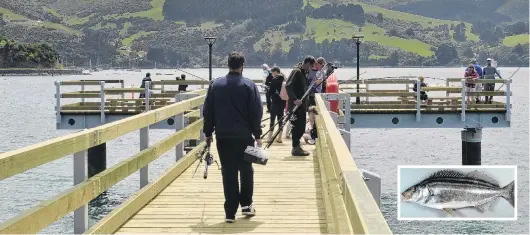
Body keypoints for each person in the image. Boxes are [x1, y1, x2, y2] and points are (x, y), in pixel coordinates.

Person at [202, 51, 262, 223]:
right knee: (246, 170)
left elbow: (208, 111)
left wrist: (208, 133)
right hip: (244, 136)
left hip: (223, 136)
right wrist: (257, 135)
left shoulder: (215, 85)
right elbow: (256, 112)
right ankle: (247, 205)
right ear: (242, 65)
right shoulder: (249, 85)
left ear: (228, 64)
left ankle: (230, 212)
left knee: (228, 172)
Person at [285, 56, 315, 156]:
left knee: (301, 127)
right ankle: (295, 148)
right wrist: (294, 99)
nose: (311, 69)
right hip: (295, 107)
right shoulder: (296, 71)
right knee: (297, 127)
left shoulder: (303, 73)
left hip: (301, 107)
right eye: (311, 66)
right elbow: (288, 85)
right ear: (307, 64)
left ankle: (297, 147)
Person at [267, 66, 287, 143]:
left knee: (272, 119)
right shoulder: (284, 79)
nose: (271, 74)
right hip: (283, 103)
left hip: (275, 102)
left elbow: (270, 92)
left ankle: (269, 137)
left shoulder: (274, 80)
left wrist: (269, 94)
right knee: (280, 120)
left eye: (272, 72)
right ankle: (279, 138)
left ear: (275, 72)